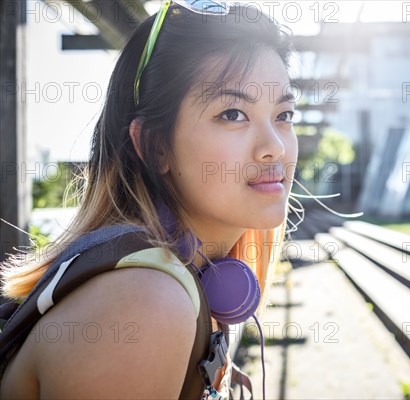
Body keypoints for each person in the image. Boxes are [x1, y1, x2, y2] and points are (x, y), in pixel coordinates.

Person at [0, 1, 297, 398]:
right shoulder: (144, 305)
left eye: (285, 114)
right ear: (156, 146)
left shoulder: (158, 282)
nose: (275, 147)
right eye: (232, 113)